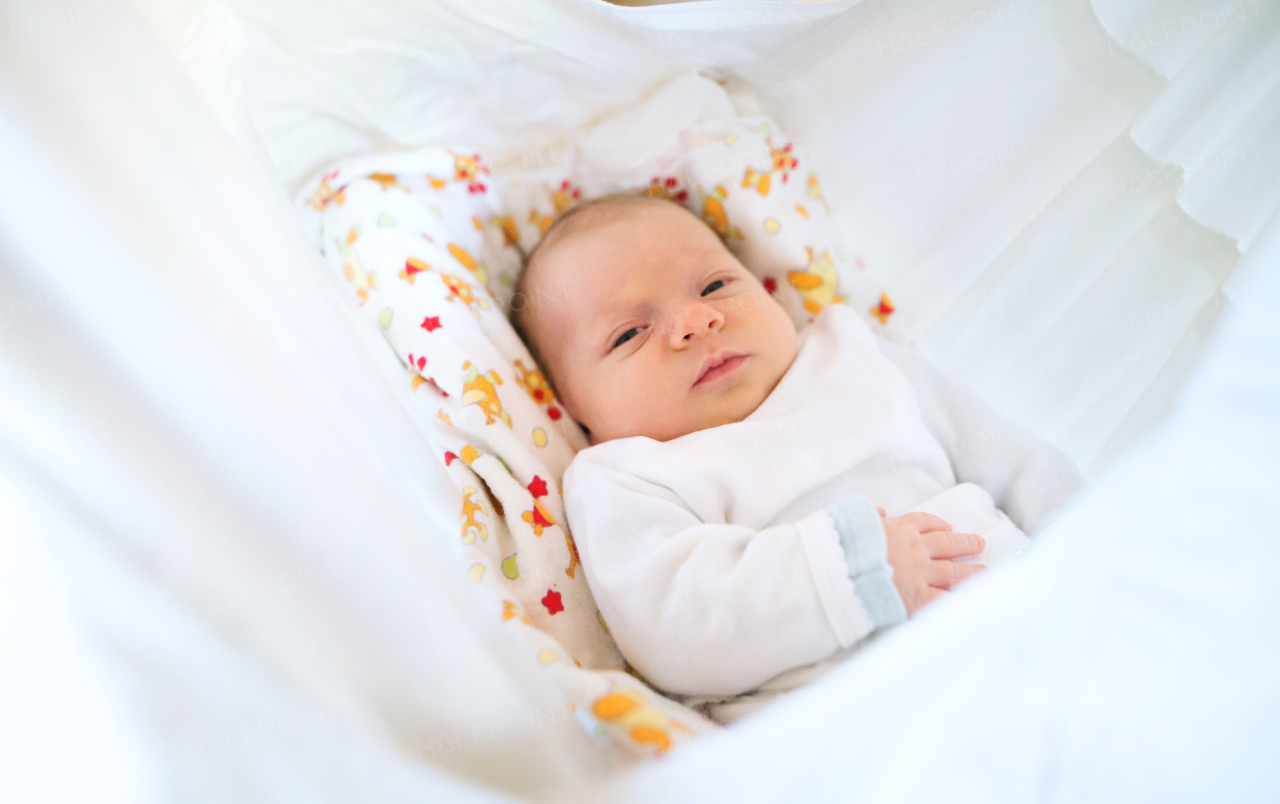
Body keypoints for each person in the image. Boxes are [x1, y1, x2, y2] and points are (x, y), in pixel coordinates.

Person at [510, 191, 1085, 724]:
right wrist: (846, 569)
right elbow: (678, 626)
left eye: (713, 287)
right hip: (862, 713)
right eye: (630, 333)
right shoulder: (625, 476)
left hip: (1033, 619)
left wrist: (1101, 543)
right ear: (573, 407)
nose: (697, 321)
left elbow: (1017, 462)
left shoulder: (853, 354)